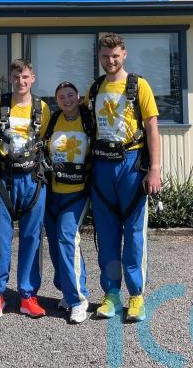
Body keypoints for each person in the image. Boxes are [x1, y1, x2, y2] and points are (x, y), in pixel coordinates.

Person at [87, 33, 161, 322]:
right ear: (100, 57)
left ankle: (137, 296)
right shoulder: (94, 89)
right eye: (106, 56)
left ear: (124, 54)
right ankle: (111, 294)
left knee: (133, 234)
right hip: (101, 166)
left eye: (115, 55)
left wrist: (154, 169)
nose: (111, 60)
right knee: (106, 235)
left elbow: (153, 129)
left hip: (131, 164)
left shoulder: (139, 86)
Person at [0, 59, 51, 320]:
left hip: (32, 181)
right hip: (2, 182)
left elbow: (49, 145)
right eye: (16, 77)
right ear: (11, 78)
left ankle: (27, 296)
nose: (21, 82)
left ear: (33, 78)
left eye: (26, 77)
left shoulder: (43, 108)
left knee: (32, 239)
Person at [42, 81, 93, 324]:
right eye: (61, 96)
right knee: (55, 243)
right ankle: (67, 290)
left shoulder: (87, 119)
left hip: (77, 192)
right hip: (53, 192)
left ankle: (78, 300)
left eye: (70, 95)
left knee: (67, 237)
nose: (66, 100)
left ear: (78, 96)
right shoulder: (53, 121)